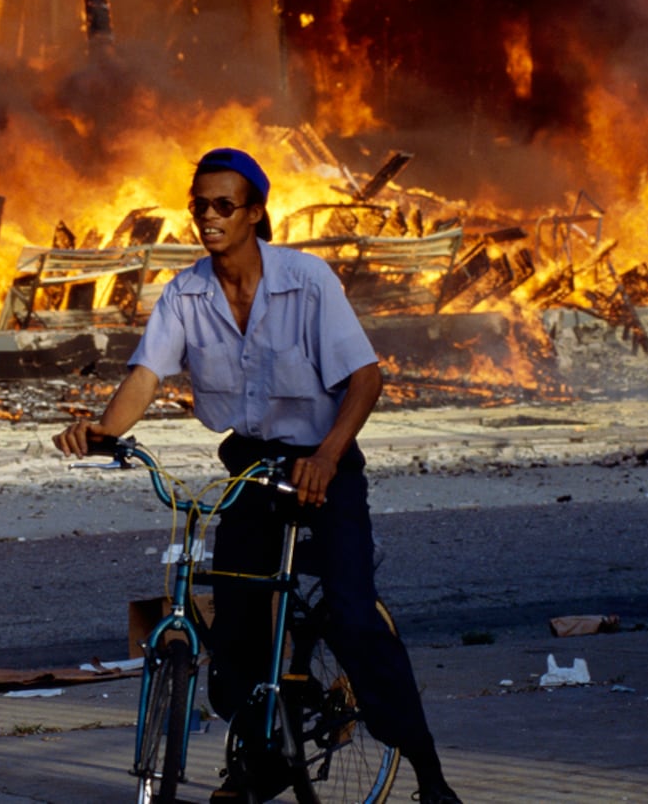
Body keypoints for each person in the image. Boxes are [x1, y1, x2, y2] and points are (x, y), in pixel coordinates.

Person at [53, 147, 461, 804]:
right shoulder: (185, 293)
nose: (208, 218)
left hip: (325, 464)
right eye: (200, 206)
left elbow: (366, 377)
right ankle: (260, 757)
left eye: (224, 206)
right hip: (251, 469)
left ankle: (428, 774)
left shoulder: (306, 280)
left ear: (255, 214)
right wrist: (104, 431)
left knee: (355, 619)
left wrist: (327, 456)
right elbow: (144, 377)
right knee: (236, 626)